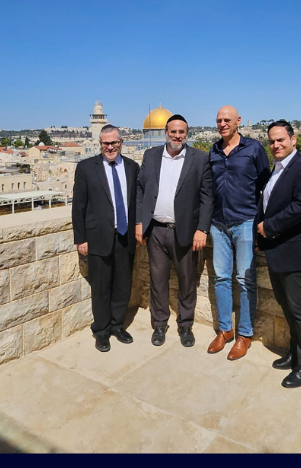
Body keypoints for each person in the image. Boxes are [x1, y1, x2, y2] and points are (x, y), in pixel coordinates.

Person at [255, 120, 301, 388]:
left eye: (280, 140)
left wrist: (268, 227)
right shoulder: (278, 169)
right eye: (271, 141)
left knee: (300, 310)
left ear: (293, 140)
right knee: (288, 307)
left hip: (297, 252)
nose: (275, 145)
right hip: (277, 251)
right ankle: (296, 354)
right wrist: (259, 236)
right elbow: (268, 203)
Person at [136, 114, 213, 347]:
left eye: (181, 132)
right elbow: (141, 190)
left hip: (186, 232)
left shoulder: (199, 159)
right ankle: (159, 324)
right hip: (156, 231)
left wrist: (202, 229)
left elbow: (207, 197)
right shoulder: (151, 156)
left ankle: (185, 324)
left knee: (187, 280)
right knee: (157, 279)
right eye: (173, 132)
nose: (177, 136)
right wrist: (140, 222)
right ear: (165, 132)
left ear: (186, 134)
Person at [207, 105, 271, 360]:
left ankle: (245, 334)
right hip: (218, 224)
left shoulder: (253, 149)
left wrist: (261, 224)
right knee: (221, 278)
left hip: (245, 222)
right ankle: (225, 330)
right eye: (219, 120)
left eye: (227, 120)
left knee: (245, 280)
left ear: (238, 122)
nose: (222, 124)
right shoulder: (213, 150)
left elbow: (266, 188)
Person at [72, 124, 139, 352]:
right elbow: (78, 207)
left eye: (113, 142)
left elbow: (135, 203)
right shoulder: (86, 168)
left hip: (125, 237)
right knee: (100, 288)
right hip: (98, 238)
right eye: (105, 143)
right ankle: (101, 331)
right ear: (100, 144)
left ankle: (117, 325)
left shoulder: (132, 167)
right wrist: (80, 239)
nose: (109, 147)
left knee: (122, 285)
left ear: (121, 143)